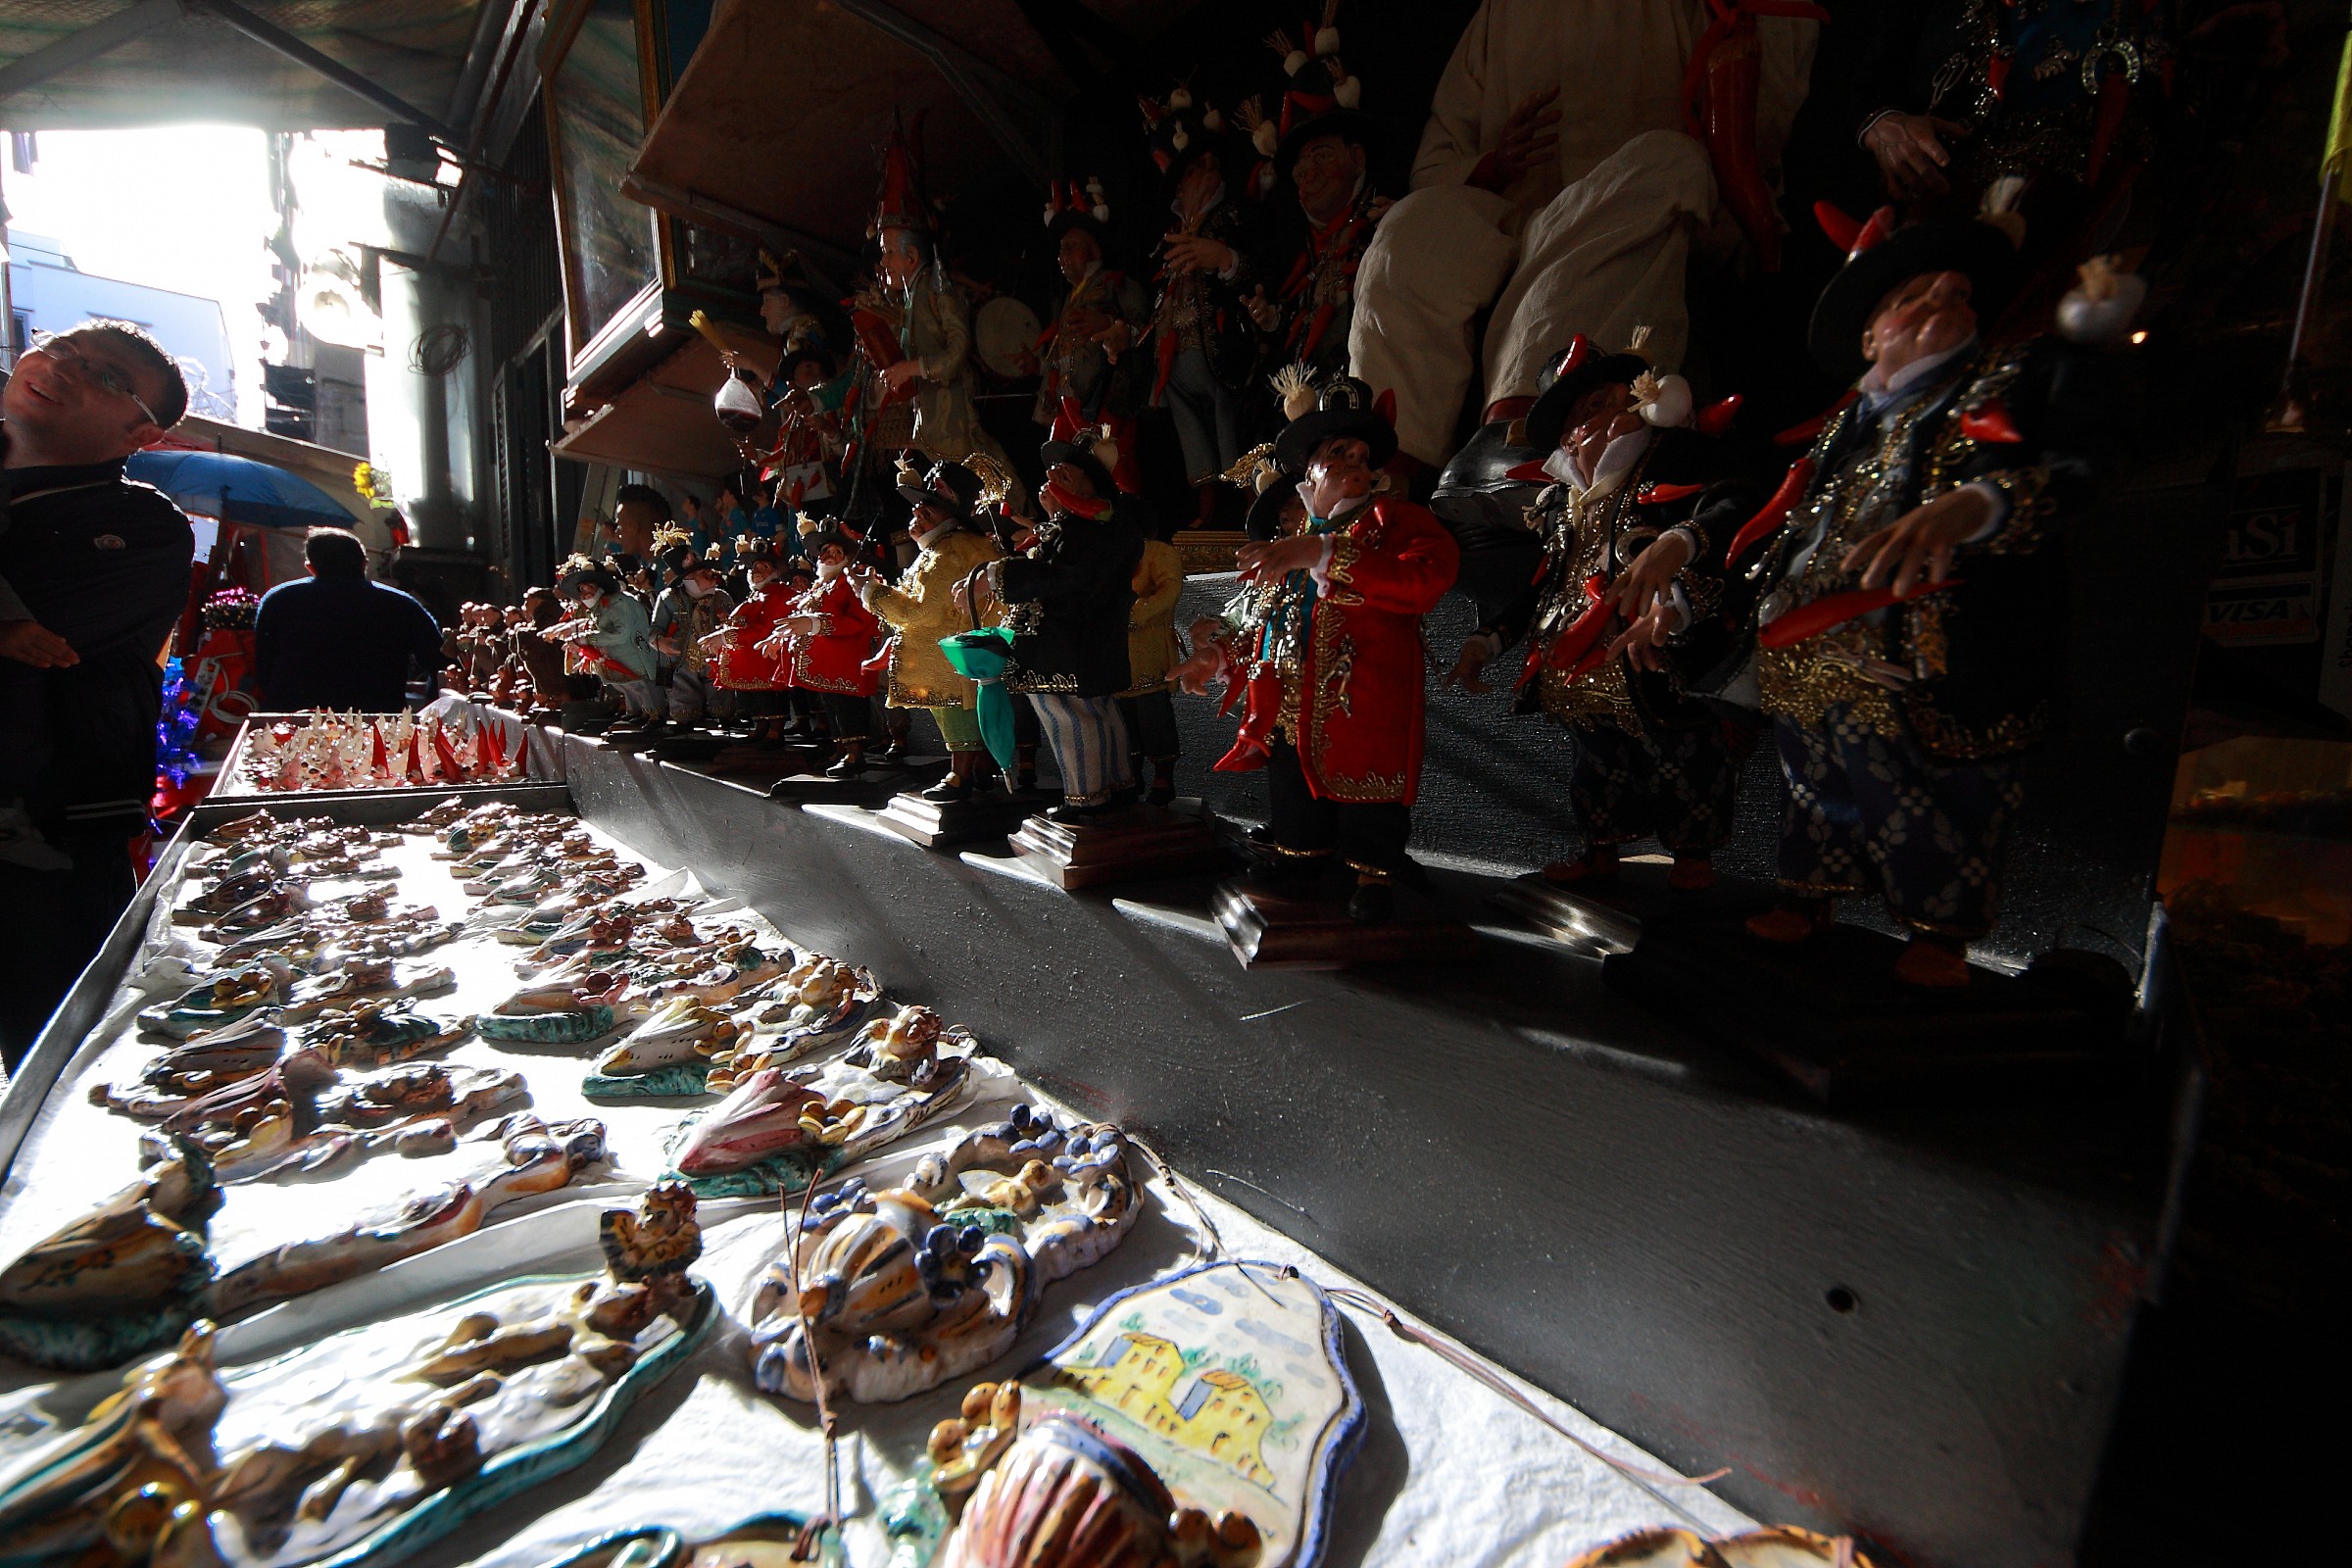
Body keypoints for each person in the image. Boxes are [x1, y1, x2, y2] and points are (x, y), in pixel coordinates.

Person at [1737, 212, 2128, 986]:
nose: (1948, 295)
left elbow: (2084, 471)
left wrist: (1977, 505)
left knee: (1938, 798)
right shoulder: (1842, 426)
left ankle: (1939, 931)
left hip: (1935, 653)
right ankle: (1809, 895)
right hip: (1815, 649)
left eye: (1958, 290)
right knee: (1816, 784)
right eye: (1917, 294)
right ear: (1872, 337)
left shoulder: (2013, 384)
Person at [1348, 0, 1820, 470]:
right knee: (1412, 228)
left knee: (1667, 161)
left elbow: (1760, 113)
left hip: (1621, 201)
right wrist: (1494, 164)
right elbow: (1436, 166)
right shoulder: (1502, 14)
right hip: (1515, 218)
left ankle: (1519, 449)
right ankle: (1381, 476)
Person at [1447, 335, 1758, 890]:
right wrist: (1488, 639)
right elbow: (1539, 587)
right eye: (1576, 419)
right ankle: (1600, 852)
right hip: (1577, 667)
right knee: (1596, 766)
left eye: (1600, 405)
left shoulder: (1678, 461)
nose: (1588, 426)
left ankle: (1693, 863)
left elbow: (1735, 506)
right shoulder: (1563, 509)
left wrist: (1679, 545)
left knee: (1686, 762)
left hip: (1656, 657)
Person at [1171, 376, 1459, 922]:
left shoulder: (1397, 522)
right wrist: (1217, 656)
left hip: (1363, 693)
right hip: (1288, 696)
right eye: (1338, 452)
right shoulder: (1294, 537)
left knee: (1368, 795)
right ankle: (1300, 859)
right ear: (1310, 470)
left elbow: (1427, 579)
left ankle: (1374, 875)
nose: (1355, 461)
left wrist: (1327, 552)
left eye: (1361, 455)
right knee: (1294, 787)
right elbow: (1266, 616)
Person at [0, 319, 192, 1059]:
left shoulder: (138, 528)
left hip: (48, 843)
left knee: (51, 1062)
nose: (63, 369)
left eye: (107, 377)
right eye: (61, 350)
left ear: (138, 435)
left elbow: (50, 644)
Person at [966, 426, 1145, 819]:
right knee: (1097, 711)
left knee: (1068, 716)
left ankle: (1086, 798)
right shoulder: (1091, 524)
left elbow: (1065, 576)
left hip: (1068, 645)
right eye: (1054, 471)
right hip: (1080, 643)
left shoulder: (1094, 526)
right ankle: (1116, 786)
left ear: (1091, 480)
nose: (1055, 477)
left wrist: (997, 576)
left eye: (1067, 472)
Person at [1146, 93, 1261, 529]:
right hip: (1176, 352)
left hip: (1218, 346)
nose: (1202, 178)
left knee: (1227, 416)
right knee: (1189, 427)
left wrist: (1223, 258)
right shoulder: (1172, 234)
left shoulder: (1231, 218)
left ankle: (1249, 498)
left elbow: (1251, 269)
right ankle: (1208, 502)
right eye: (1195, 172)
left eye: (1207, 169)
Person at [858, 459, 1004, 802]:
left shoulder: (949, 551)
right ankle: (979, 770)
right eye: (919, 508)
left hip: (952, 653)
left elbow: (923, 610)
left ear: (948, 514)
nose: (918, 514)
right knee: (959, 709)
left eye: (929, 509)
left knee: (956, 709)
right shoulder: (946, 547)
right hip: (958, 650)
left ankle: (961, 774)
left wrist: (871, 593)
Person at [250, 526, 445, 713]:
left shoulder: (278, 599)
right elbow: (440, 662)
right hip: (378, 720)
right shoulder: (401, 605)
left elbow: (263, 667)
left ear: (310, 567)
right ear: (364, 563)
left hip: (294, 719)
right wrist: (431, 703)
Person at [766, 518, 883, 778]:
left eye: (836, 552)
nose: (829, 556)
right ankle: (840, 750)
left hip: (846, 661)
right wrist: (778, 636)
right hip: (824, 663)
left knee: (848, 706)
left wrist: (815, 623)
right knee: (832, 706)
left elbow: (858, 621)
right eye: (825, 551)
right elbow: (799, 617)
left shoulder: (852, 583)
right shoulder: (821, 586)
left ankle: (854, 754)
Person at [1118, 511, 1188, 807]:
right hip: (1115, 649)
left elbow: (1170, 590)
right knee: (1122, 718)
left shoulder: (1159, 551)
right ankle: (1130, 777)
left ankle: (1163, 778)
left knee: (1153, 714)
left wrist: (1133, 614)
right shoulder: (1113, 552)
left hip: (1147, 645)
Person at [650, 542, 737, 734]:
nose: (713, 578)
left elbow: (736, 624)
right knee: (682, 687)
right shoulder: (668, 598)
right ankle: (684, 719)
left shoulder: (722, 597)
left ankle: (724, 716)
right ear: (689, 578)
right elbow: (655, 629)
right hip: (681, 657)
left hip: (715, 655)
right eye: (705, 575)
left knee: (720, 686)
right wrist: (660, 642)